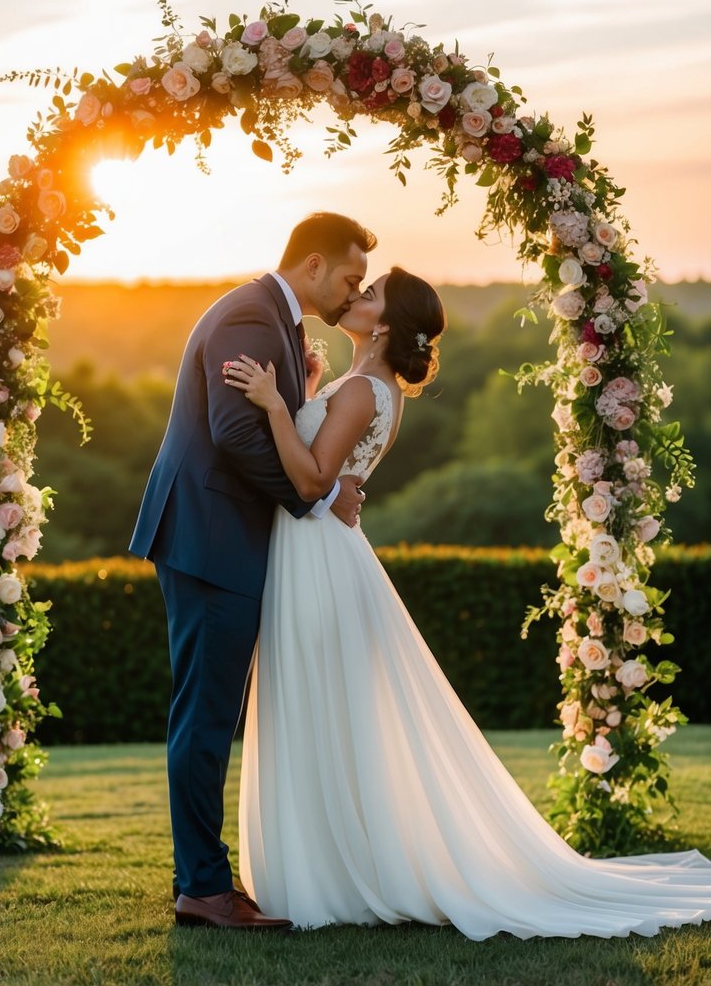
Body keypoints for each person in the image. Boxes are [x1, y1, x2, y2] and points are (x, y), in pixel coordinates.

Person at [224, 268, 711, 939]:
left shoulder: (366, 391)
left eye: (369, 297)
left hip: (316, 560)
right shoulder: (371, 390)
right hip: (320, 552)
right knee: (322, 708)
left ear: (386, 324)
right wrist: (308, 394)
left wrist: (277, 405)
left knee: (316, 703)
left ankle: (330, 872)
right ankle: (328, 863)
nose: (356, 300)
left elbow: (311, 477)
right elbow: (326, 470)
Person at [129, 212, 377, 930]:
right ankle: (203, 889)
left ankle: (202, 881)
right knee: (205, 719)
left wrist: (298, 390)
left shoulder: (277, 320)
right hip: (210, 538)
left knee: (208, 715)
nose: (351, 294)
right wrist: (321, 493)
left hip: (218, 536)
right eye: (349, 279)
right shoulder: (248, 315)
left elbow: (255, 419)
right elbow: (234, 430)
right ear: (312, 266)